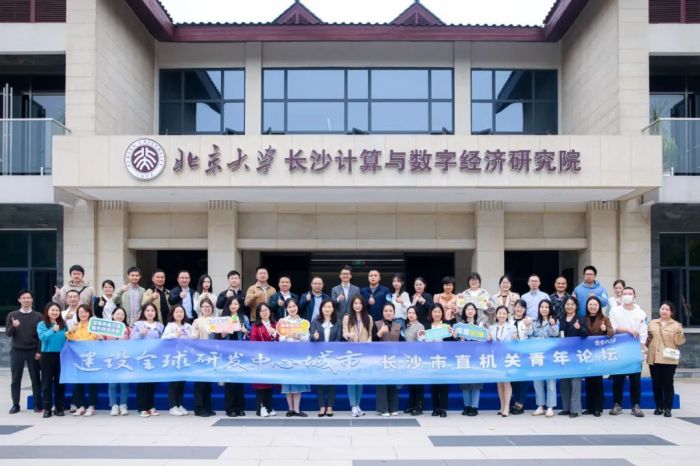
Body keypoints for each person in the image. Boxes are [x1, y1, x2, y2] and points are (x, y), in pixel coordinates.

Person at [608, 286, 648, 417]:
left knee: (635, 379)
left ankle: (635, 405)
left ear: (634, 296)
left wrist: (642, 348)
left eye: (630, 293)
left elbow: (643, 331)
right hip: (618, 348)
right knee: (618, 379)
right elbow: (612, 327)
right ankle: (617, 404)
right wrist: (627, 330)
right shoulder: (615, 310)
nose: (627, 296)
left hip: (634, 349)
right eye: (624, 294)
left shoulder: (640, 312)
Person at [6, 289, 42, 414]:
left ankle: (37, 404)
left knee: (35, 378)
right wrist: (13, 326)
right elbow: (8, 333)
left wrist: (39, 351)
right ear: (19, 300)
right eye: (23, 298)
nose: (26, 300)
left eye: (28, 298)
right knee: (16, 379)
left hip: (33, 351)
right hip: (17, 351)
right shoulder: (12, 315)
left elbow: (40, 336)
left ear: (32, 300)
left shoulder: (38, 316)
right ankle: (15, 404)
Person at [647, 301, 686, 418]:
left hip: (668, 359)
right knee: (656, 384)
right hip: (654, 358)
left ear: (671, 312)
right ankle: (659, 406)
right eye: (662, 308)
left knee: (668, 383)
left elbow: (679, 342)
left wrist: (679, 332)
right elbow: (647, 339)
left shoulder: (676, 325)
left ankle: (668, 408)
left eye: (667, 309)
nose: (664, 311)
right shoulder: (652, 323)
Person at [130, 303, 164, 417]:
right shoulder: (138, 324)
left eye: (152, 310)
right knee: (142, 384)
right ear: (143, 312)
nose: (150, 313)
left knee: (151, 383)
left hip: (154, 358)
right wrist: (140, 334)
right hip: (141, 357)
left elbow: (162, 341)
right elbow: (131, 339)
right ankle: (141, 408)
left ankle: (150, 406)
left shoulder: (160, 326)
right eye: (147, 310)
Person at [278, 298, 310, 417]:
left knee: (297, 382)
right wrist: (287, 336)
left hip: (299, 355)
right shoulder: (282, 322)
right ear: (286, 309)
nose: (292, 309)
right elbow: (280, 339)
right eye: (290, 307)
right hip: (286, 355)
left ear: (297, 307)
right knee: (287, 382)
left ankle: (297, 409)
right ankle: (290, 409)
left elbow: (307, 339)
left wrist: (298, 337)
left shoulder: (303, 322)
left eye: (294, 306)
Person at [310, 299, 342, 417]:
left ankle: (330, 406)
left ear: (333, 309)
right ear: (321, 308)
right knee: (321, 382)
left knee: (332, 382)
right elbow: (311, 337)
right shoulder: (315, 321)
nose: (327, 309)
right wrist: (314, 336)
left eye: (329, 307)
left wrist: (332, 350)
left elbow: (338, 339)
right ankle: (322, 406)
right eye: (325, 307)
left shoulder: (338, 322)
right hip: (319, 356)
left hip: (332, 356)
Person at [343, 295, 373, 417]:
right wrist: (349, 335)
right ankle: (353, 406)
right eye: (355, 303)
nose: (357, 305)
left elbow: (370, 334)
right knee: (351, 380)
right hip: (351, 352)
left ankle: (358, 405)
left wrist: (369, 340)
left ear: (363, 305)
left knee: (360, 380)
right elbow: (344, 332)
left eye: (359, 303)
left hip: (363, 353)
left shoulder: (368, 318)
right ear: (352, 305)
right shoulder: (347, 317)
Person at [558, 296, 588, 418]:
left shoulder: (581, 319)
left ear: (576, 306)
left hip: (576, 355)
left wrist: (579, 328)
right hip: (563, 355)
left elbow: (586, 335)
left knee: (575, 383)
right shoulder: (561, 319)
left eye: (572, 304)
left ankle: (575, 409)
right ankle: (566, 408)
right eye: (567, 304)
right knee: (564, 382)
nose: (569, 306)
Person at [583, 296, 613, 417]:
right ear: (587, 306)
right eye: (590, 304)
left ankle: (598, 408)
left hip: (599, 354)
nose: (593, 307)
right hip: (586, 354)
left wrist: (605, 330)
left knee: (598, 382)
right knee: (588, 382)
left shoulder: (605, 318)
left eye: (595, 304)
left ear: (599, 306)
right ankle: (590, 407)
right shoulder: (583, 318)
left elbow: (611, 333)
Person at [66, 304, 98, 416]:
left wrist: (82, 340)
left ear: (89, 313)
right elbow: (70, 339)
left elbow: (94, 337)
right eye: (80, 312)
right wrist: (71, 332)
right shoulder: (75, 326)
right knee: (78, 383)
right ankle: (80, 406)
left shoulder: (94, 326)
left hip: (92, 358)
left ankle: (91, 406)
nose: (83, 314)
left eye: (85, 312)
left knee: (92, 383)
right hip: (78, 359)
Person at [221, 296, 250, 417]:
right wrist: (225, 332)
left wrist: (245, 331)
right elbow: (219, 336)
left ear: (239, 306)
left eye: (236, 304)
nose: (233, 306)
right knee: (229, 382)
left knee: (239, 381)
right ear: (228, 306)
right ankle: (230, 408)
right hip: (227, 353)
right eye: (231, 304)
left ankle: (240, 408)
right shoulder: (223, 319)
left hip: (240, 353)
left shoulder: (244, 318)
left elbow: (249, 335)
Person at [373, 303, 403, 417]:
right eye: (386, 311)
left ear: (394, 313)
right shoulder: (377, 324)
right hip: (380, 359)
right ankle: (383, 409)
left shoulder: (398, 325)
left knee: (392, 383)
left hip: (394, 359)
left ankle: (393, 408)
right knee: (382, 384)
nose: (388, 313)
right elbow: (372, 341)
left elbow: (403, 342)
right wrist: (380, 332)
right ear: (382, 312)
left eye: (390, 311)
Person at [37, 302, 67, 418]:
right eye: (52, 310)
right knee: (46, 382)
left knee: (60, 382)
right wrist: (53, 330)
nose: (55, 312)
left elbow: (67, 337)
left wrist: (72, 332)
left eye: (57, 310)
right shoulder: (42, 324)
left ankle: (59, 408)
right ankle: (47, 408)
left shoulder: (63, 324)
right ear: (47, 311)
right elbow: (42, 337)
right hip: (47, 355)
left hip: (61, 355)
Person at [162, 304, 192, 416]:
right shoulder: (170, 326)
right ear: (173, 314)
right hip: (173, 357)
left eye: (181, 312)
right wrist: (176, 334)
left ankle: (179, 404)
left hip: (185, 357)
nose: (179, 314)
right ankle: (172, 406)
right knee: (174, 382)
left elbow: (192, 339)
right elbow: (164, 338)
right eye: (177, 312)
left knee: (181, 382)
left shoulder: (188, 326)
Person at [249, 303, 278, 417]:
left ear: (270, 311)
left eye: (266, 310)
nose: (264, 312)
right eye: (261, 311)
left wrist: (274, 333)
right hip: (260, 358)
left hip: (272, 358)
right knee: (260, 384)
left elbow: (281, 339)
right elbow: (253, 342)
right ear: (258, 314)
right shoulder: (256, 326)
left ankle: (269, 407)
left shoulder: (276, 324)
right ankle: (260, 408)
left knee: (269, 384)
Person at [531, 300, 559, 418]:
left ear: (550, 309)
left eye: (546, 307)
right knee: (537, 382)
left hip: (549, 356)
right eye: (542, 307)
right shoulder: (534, 322)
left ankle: (550, 407)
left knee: (551, 382)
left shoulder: (555, 321)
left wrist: (552, 324)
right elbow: (529, 336)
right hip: (537, 355)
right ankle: (540, 406)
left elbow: (556, 334)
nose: (544, 309)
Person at [456, 302, 485, 416]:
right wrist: (457, 338)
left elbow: (485, 340)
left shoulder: (480, 325)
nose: (470, 311)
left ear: (475, 311)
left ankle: (474, 407)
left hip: (476, 358)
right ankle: (466, 406)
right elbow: (456, 343)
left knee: (476, 383)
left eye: (472, 309)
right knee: (465, 383)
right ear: (464, 312)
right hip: (463, 357)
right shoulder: (460, 326)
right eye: (467, 309)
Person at [190, 298, 217, 417]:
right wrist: (195, 334)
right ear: (200, 309)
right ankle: (199, 408)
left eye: (209, 306)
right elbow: (193, 336)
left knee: (208, 384)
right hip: (200, 355)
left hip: (212, 355)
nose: (207, 308)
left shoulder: (216, 321)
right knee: (200, 383)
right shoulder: (197, 321)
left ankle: (208, 406)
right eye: (204, 306)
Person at [488, 305, 516, 417]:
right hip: (496, 357)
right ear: (496, 315)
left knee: (507, 382)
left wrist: (515, 338)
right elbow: (488, 342)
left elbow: (516, 341)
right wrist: (488, 339)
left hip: (507, 357)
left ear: (507, 315)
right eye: (500, 313)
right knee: (499, 383)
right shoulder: (491, 328)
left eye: (504, 313)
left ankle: (507, 407)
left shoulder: (512, 327)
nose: (502, 315)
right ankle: (502, 406)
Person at [103, 307, 131, 416]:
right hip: (111, 359)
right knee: (112, 384)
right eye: (117, 314)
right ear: (113, 315)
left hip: (124, 359)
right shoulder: (106, 329)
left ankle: (123, 405)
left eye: (122, 314)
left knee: (125, 384)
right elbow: (101, 341)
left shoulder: (128, 329)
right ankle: (113, 405)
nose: (120, 316)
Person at [426, 303, 453, 417]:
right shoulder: (427, 326)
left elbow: (452, 342)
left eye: (439, 312)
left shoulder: (447, 326)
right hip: (431, 358)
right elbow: (422, 340)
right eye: (435, 312)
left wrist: (452, 334)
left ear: (442, 313)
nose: (437, 314)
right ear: (431, 313)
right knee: (434, 384)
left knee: (443, 384)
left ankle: (443, 408)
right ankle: (435, 407)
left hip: (444, 358)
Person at [508, 299, 533, 415]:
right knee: (514, 379)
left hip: (524, 354)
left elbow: (530, 333)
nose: (519, 309)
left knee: (523, 379)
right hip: (511, 354)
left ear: (525, 309)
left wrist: (527, 326)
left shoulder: (528, 320)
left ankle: (520, 404)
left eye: (522, 307)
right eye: (517, 306)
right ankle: (515, 402)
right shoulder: (509, 319)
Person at [403, 306, 426, 415]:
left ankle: (419, 406)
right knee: (411, 384)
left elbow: (422, 342)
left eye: (413, 313)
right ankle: (412, 405)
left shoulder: (420, 326)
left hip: (417, 359)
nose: (411, 315)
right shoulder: (407, 326)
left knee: (418, 384)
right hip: (409, 359)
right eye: (409, 312)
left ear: (417, 314)